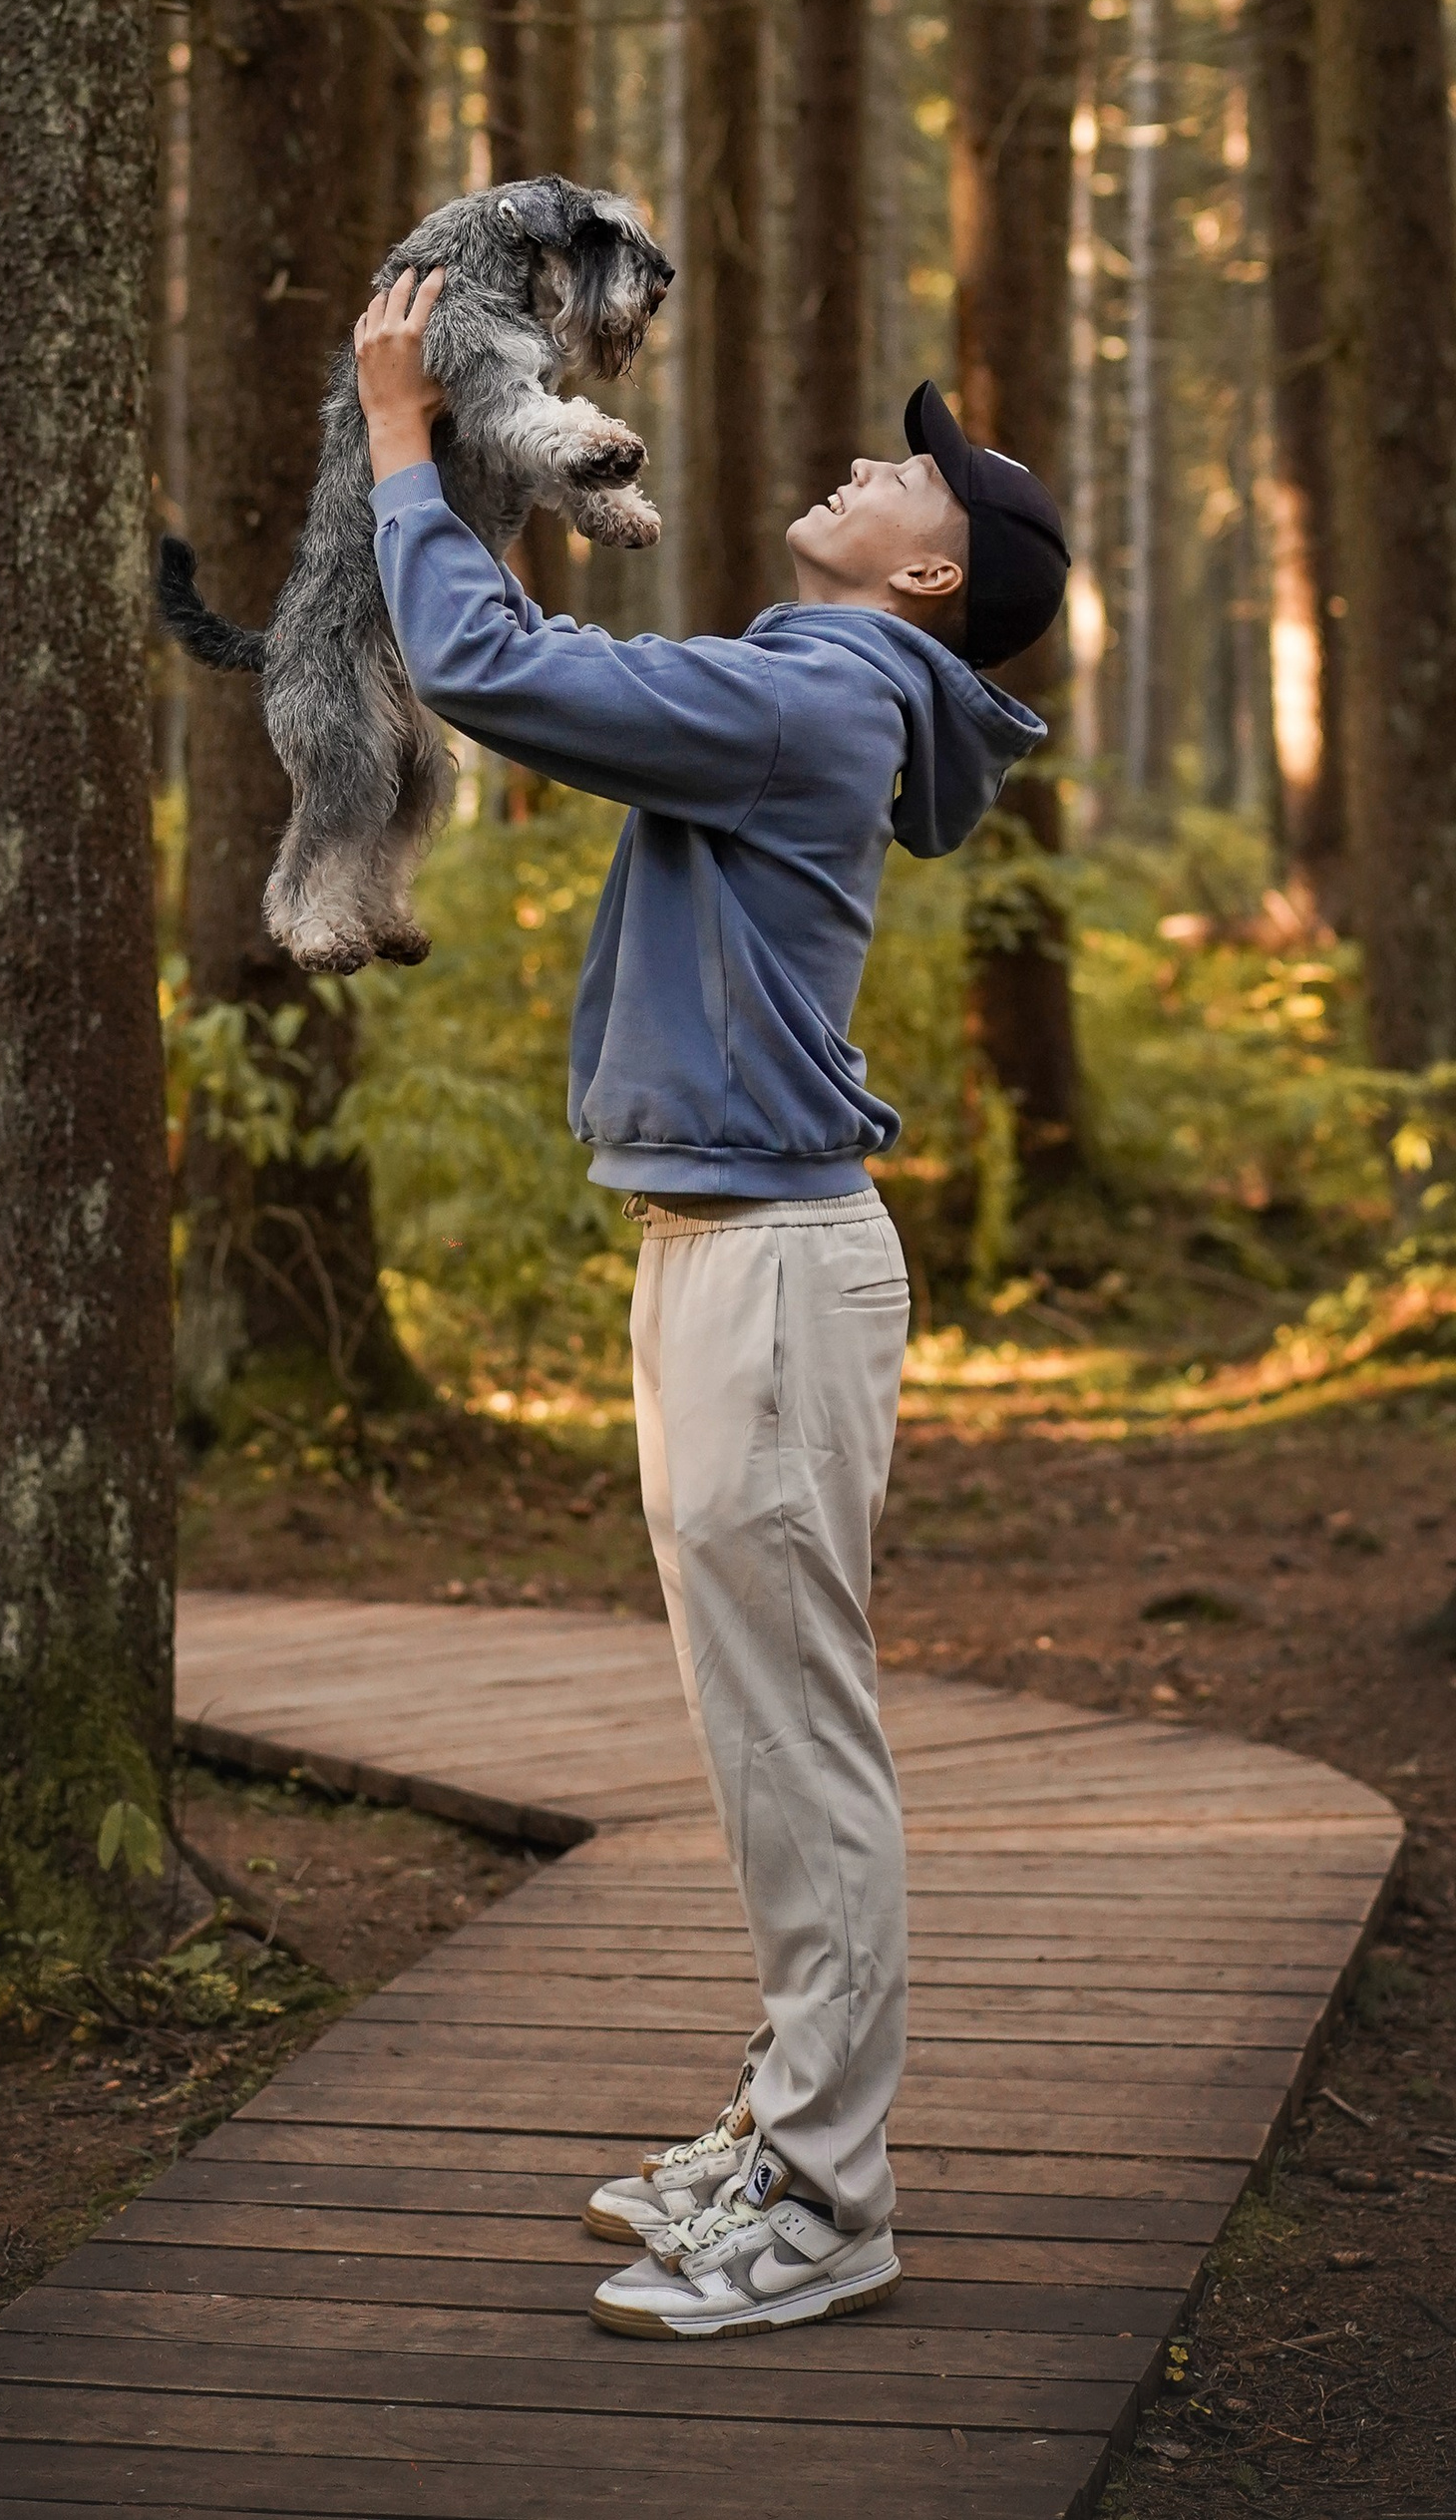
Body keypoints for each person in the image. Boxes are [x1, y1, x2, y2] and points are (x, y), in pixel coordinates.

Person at [352, 264, 1070, 2344]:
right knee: (764, 1741)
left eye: (899, 472)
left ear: (928, 567)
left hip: (766, 1266)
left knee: (797, 1746)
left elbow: (489, 666)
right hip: (724, 1253)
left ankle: (830, 2200)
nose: (863, 461)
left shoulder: (823, 698)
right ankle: (780, 2124)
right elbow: (547, 663)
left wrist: (409, 438)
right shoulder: (801, 683)